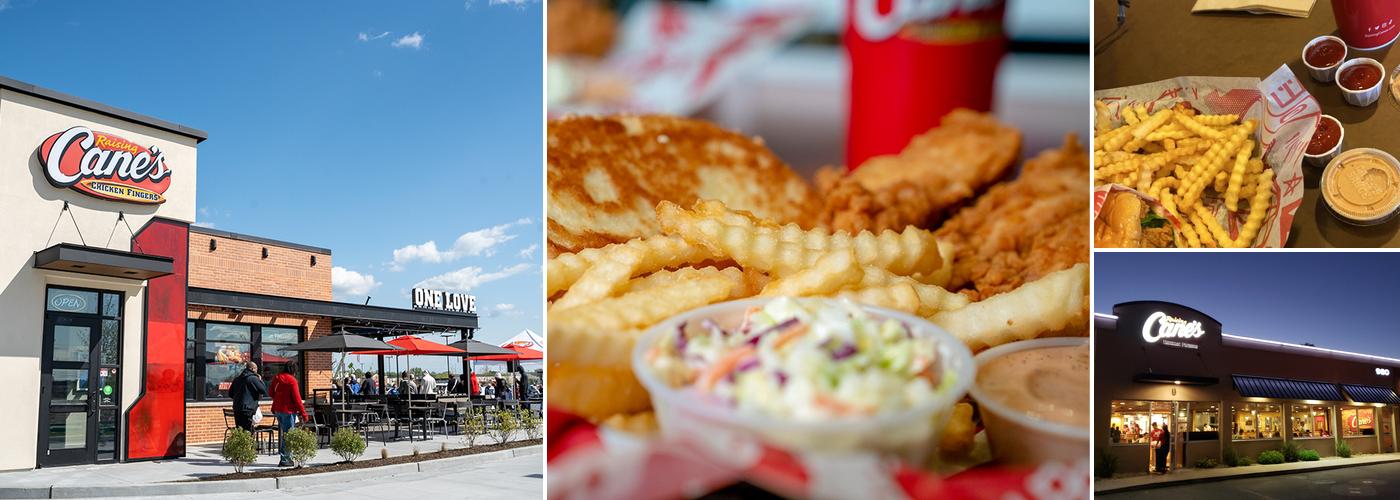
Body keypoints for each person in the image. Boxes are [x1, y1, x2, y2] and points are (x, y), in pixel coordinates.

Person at [270, 361, 309, 467]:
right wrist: (304, 414)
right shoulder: (292, 381)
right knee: (289, 435)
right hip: (289, 411)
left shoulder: (277, 377)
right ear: (294, 370)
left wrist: (278, 399)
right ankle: (285, 459)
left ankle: (285, 457)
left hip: (278, 410)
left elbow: (270, 392)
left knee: (285, 434)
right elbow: (297, 399)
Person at [228, 361, 268, 433]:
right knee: (248, 431)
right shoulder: (253, 378)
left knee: (240, 431)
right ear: (252, 369)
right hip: (248, 409)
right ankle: (248, 444)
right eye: (256, 369)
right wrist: (260, 380)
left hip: (237, 408)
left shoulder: (237, 379)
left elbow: (230, 394)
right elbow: (263, 390)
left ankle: (240, 444)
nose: (256, 371)